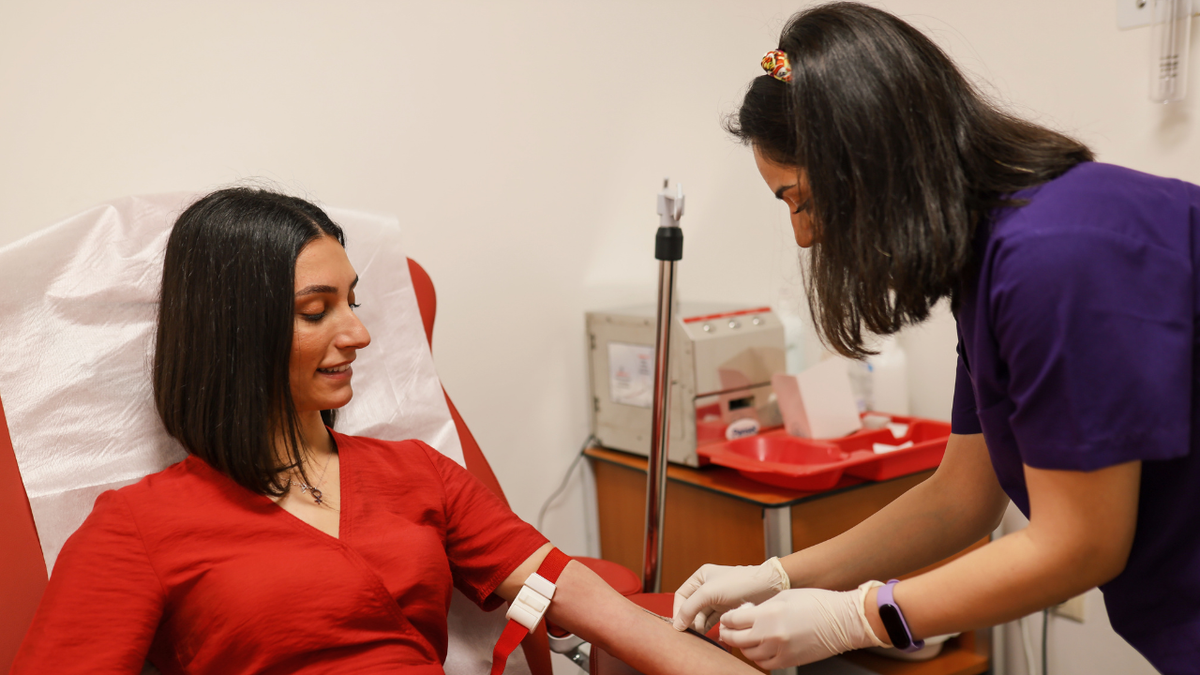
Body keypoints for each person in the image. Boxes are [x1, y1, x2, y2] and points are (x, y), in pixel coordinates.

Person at [12, 188, 754, 675]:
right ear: (232, 332)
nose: (360, 333)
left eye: (354, 302)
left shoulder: (415, 472)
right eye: (316, 310)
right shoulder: (139, 525)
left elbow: (595, 606)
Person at [671, 3, 1200, 674]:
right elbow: (963, 496)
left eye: (800, 198)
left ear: (865, 160)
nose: (804, 235)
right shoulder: (991, 260)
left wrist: (854, 617)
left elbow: (1080, 545)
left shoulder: (1054, 254)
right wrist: (778, 574)